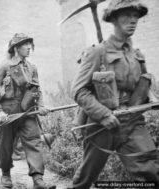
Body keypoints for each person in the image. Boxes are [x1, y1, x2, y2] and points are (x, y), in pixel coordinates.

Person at [70, 0, 159, 188]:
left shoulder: (137, 55)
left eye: (136, 16)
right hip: (103, 124)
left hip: (133, 120)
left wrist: (151, 98)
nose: (133, 20)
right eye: (127, 15)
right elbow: (78, 90)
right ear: (114, 19)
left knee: (150, 171)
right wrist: (103, 115)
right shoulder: (97, 52)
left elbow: (143, 82)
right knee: (86, 177)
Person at [0, 33, 56, 189]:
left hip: (28, 110)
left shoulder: (32, 68)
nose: (29, 48)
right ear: (16, 48)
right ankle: (5, 174)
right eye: (26, 45)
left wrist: (41, 107)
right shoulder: (5, 66)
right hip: (8, 111)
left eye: (30, 45)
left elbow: (37, 90)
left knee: (34, 142)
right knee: (6, 145)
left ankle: (38, 179)